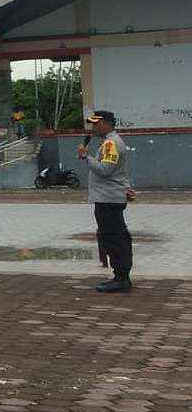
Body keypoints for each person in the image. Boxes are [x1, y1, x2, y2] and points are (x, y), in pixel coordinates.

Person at [77, 110, 134, 293]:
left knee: (114, 237)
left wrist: (86, 156)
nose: (93, 127)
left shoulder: (111, 143)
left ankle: (121, 278)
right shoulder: (109, 142)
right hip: (109, 197)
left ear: (107, 123)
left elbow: (105, 170)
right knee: (114, 236)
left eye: (96, 123)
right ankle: (121, 276)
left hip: (108, 199)